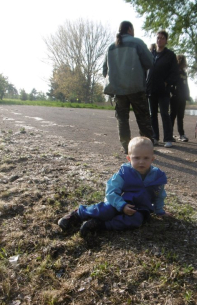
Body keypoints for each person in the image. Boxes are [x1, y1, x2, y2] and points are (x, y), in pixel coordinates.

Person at [57, 137, 171, 236]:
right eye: (136, 158)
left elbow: (159, 195)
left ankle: (100, 225)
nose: (141, 162)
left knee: (136, 221)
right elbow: (111, 191)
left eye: (146, 158)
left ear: (152, 159)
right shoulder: (124, 173)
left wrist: (159, 211)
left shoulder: (157, 177)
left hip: (139, 208)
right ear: (129, 158)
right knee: (106, 210)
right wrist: (122, 205)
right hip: (119, 202)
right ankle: (78, 214)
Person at [103, 21, 154, 154]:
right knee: (143, 118)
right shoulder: (137, 43)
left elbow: (105, 70)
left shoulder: (110, 47)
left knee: (122, 120)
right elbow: (150, 62)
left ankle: (126, 148)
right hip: (136, 87)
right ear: (130, 29)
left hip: (118, 90)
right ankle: (147, 148)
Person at [146, 30, 179, 148]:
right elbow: (146, 69)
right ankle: (154, 137)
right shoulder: (151, 54)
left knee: (165, 113)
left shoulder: (170, 55)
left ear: (166, 40)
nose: (159, 40)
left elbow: (175, 72)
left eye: (162, 38)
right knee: (152, 114)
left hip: (163, 90)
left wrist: (167, 83)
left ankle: (168, 138)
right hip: (151, 89)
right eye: (158, 38)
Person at [170, 54, 190, 142]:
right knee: (172, 115)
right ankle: (169, 134)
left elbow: (186, 85)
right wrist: (173, 92)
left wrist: (187, 95)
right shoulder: (174, 71)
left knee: (180, 116)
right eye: (183, 61)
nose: (184, 63)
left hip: (182, 97)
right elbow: (171, 83)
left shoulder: (184, 73)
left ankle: (181, 134)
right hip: (174, 97)